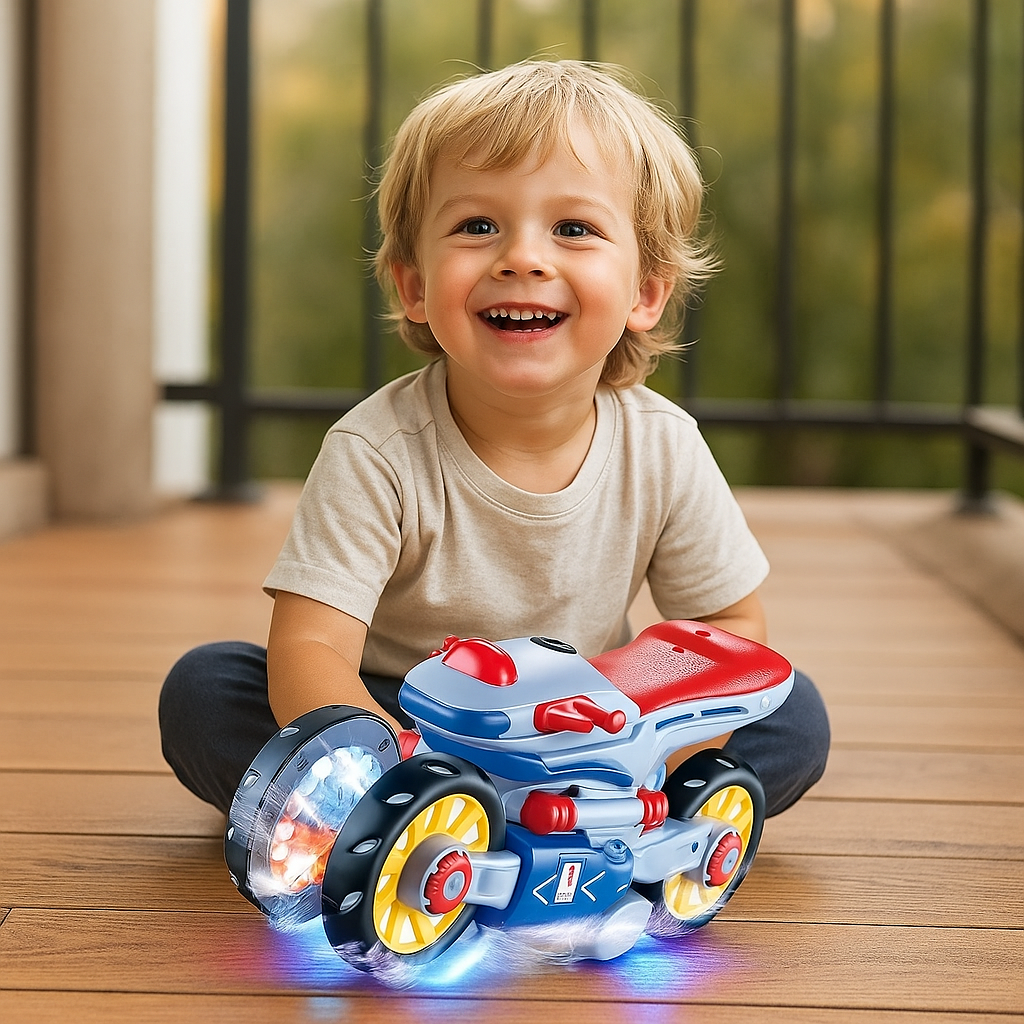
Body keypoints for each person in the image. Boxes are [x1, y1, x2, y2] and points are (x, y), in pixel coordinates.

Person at [159, 59, 829, 818]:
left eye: (574, 229)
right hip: (409, 723)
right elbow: (311, 648)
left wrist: (641, 745)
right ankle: (417, 817)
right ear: (413, 285)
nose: (522, 257)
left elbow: (727, 629)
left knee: (790, 712)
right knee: (207, 691)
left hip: (598, 728)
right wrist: (399, 768)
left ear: (645, 292)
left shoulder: (663, 446)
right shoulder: (379, 451)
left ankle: (614, 812)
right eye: (478, 226)